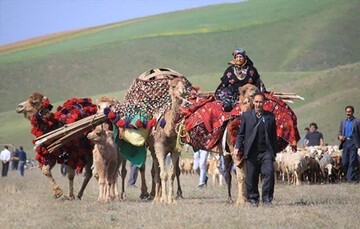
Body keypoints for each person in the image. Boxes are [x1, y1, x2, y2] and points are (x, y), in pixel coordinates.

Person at [234, 92, 277, 206]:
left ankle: (267, 199)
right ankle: (253, 199)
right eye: (256, 101)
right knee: (251, 177)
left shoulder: (270, 117)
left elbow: (273, 136)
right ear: (253, 102)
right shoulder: (246, 116)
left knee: (269, 173)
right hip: (252, 151)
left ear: (264, 103)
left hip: (266, 152)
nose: (258, 104)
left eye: (261, 102)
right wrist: (237, 147)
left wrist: (273, 153)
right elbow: (241, 134)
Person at [338, 105, 360, 183]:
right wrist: (340, 136)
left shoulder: (357, 121)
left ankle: (351, 179)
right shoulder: (343, 121)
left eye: (349, 111)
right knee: (344, 162)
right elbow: (340, 132)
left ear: (353, 112)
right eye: (347, 112)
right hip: (345, 143)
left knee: (352, 161)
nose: (348, 113)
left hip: (353, 142)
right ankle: (350, 177)